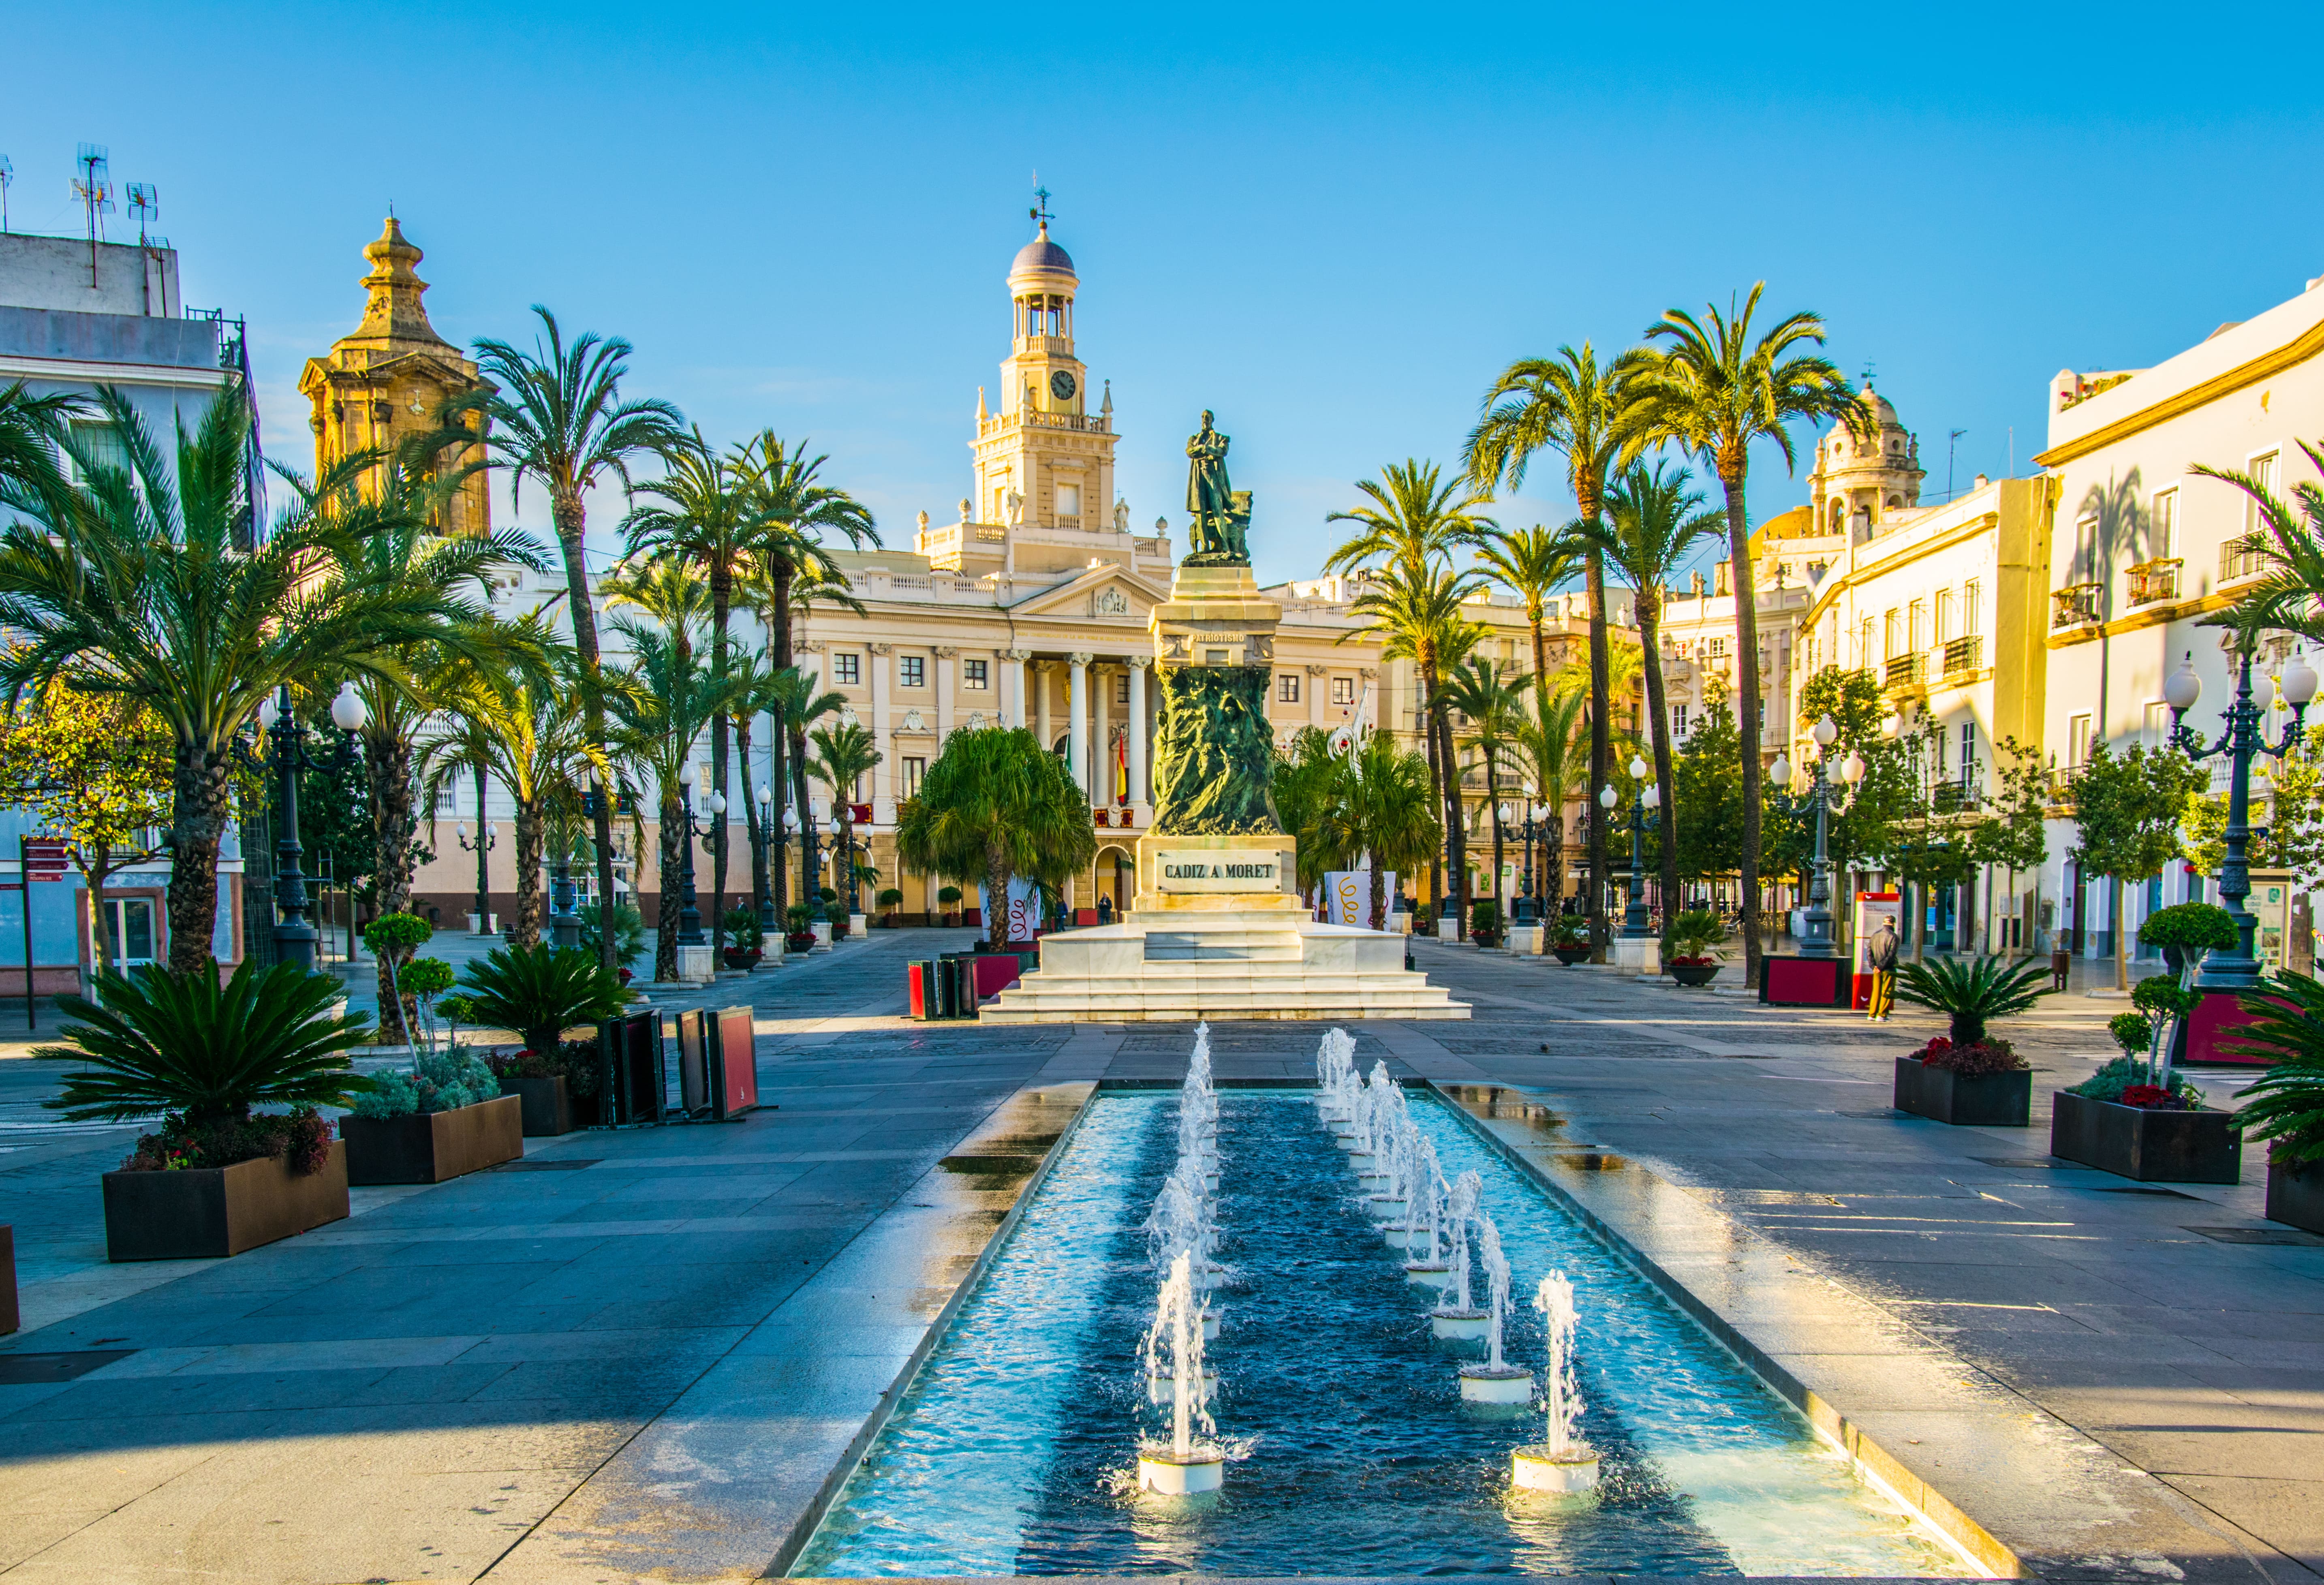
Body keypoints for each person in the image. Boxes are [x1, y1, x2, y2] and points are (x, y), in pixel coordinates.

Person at [1866, 919, 1899, 1021]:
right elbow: (1891, 955)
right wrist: (1881, 967)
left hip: (1876, 969)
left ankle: (1872, 1014)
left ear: (1883, 924)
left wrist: (1874, 966)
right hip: (1888, 968)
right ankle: (1882, 1014)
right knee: (1887, 991)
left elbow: (1869, 952)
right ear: (1893, 924)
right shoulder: (1894, 937)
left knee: (1876, 991)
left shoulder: (1875, 935)